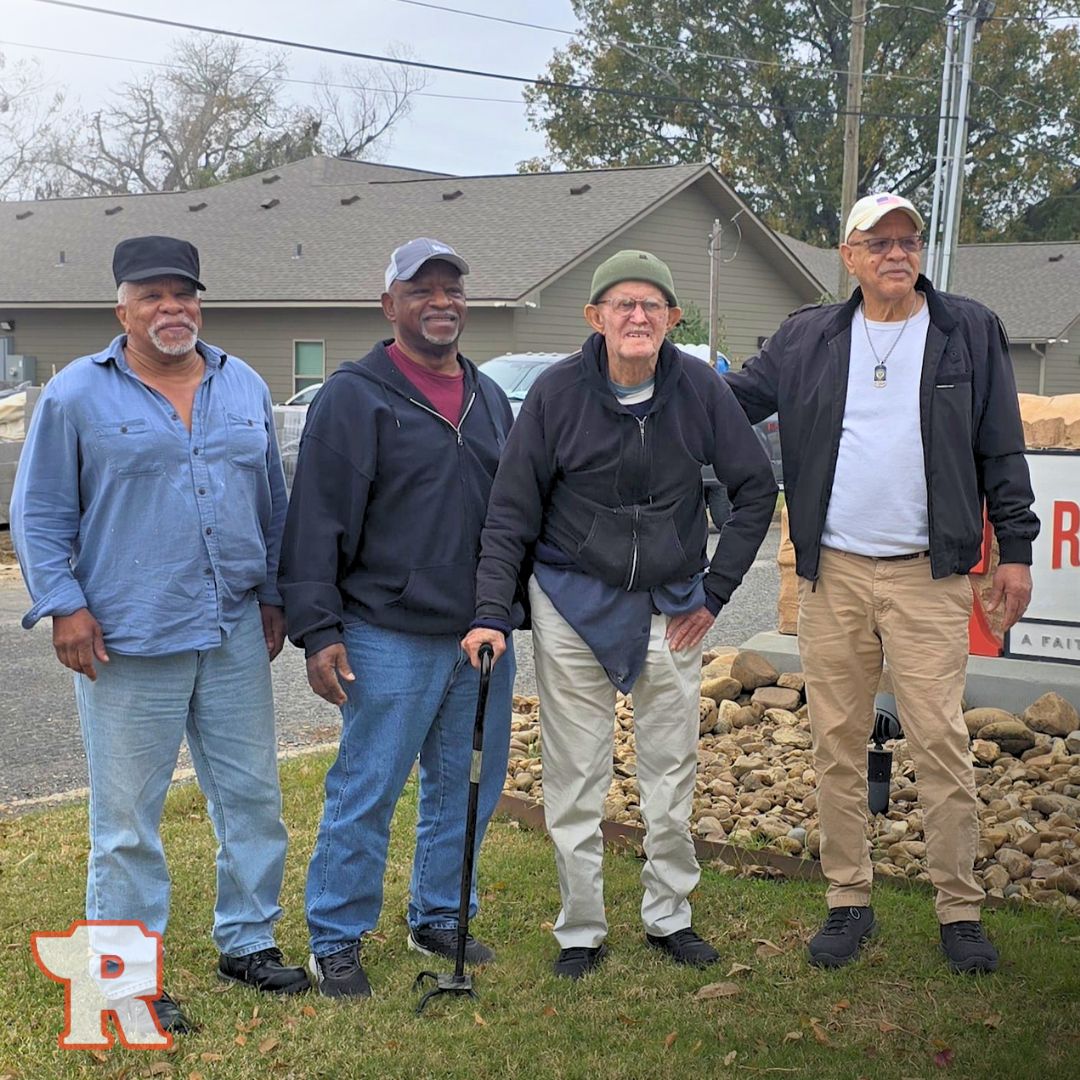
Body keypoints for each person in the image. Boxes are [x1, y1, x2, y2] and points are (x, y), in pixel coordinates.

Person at [724, 193, 1039, 974]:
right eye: (879, 241)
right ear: (849, 255)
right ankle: (847, 900)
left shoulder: (969, 329)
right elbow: (725, 403)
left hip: (927, 577)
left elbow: (1000, 447)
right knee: (835, 739)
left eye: (909, 239)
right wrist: (641, 376)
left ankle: (959, 909)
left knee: (940, 739)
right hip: (833, 575)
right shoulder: (808, 338)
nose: (897, 253)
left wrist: (1018, 549)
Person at [11, 236, 308, 1035]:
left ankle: (246, 943)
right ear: (122, 307)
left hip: (234, 629)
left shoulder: (242, 384)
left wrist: (276, 594)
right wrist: (64, 604)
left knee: (251, 798)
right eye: (152, 295)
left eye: (184, 293)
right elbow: (39, 513)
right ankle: (123, 980)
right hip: (125, 639)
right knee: (126, 820)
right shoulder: (76, 396)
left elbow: (274, 503)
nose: (171, 308)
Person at [463, 250, 777, 979]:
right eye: (622, 304)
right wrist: (489, 610)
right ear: (595, 317)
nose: (637, 317)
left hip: (673, 607)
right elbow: (510, 511)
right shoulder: (554, 394)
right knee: (575, 778)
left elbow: (756, 489)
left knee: (671, 775)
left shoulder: (701, 390)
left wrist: (715, 591)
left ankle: (670, 915)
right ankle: (581, 929)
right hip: (573, 601)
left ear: (672, 319)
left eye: (651, 306)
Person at [279, 238, 517, 1000]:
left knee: (466, 786)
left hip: (479, 637)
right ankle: (336, 937)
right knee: (368, 788)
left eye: (452, 289)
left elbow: (512, 517)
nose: (441, 301)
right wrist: (320, 631)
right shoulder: (355, 397)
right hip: (385, 636)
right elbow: (315, 522)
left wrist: (506, 610)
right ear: (390, 304)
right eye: (422, 289)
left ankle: (439, 914)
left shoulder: (490, 397)